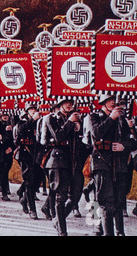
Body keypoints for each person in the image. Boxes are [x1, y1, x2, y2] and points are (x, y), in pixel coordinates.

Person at [89, 94, 137, 236]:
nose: (113, 103)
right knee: (105, 201)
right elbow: (96, 133)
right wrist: (111, 119)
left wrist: (124, 145)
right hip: (102, 163)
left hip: (119, 165)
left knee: (118, 201)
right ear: (102, 103)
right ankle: (101, 228)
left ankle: (119, 232)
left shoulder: (122, 119)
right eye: (109, 100)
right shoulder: (94, 117)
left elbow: (135, 141)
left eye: (114, 100)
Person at [42, 97, 81, 236]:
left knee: (76, 194)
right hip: (57, 160)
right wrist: (70, 123)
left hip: (72, 161)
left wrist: (78, 130)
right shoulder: (52, 118)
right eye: (66, 102)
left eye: (71, 102)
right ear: (60, 104)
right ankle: (62, 231)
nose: (69, 104)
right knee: (60, 196)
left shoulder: (75, 119)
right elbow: (58, 136)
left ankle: (58, 219)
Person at [13, 102, 42, 219]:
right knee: (29, 180)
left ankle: (22, 195)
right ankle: (32, 209)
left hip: (37, 153)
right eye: (31, 109)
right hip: (25, 153)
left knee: (38, 178)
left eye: (35, 109)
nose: (34, 111)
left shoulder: (40, 122)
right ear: (27, 111)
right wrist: (32, 120)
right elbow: (20, 131)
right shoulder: (23, 121)